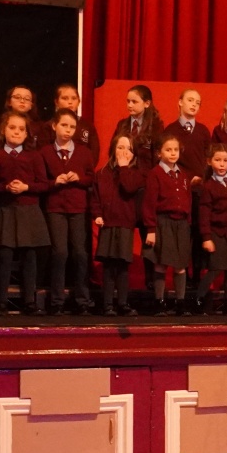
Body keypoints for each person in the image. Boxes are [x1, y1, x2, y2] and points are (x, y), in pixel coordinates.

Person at [0, 111, 50, 315]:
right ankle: (1, 301)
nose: (16, 132)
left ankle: (29, 301)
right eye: (12, 128)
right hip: (7, 210)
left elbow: (43, 184)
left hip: (29, 210)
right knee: (4, 256)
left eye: (21, 129)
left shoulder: (34, 155)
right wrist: (6, 188)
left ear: (27, 134)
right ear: (4, 130)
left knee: (30, 256)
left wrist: (25, 187)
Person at [39, 110, 92, 314]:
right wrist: (55, 182)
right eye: (64, 125)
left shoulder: (83, 151)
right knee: (60, 253)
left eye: (71, 127)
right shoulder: (45, 152)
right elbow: (40, 181)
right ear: (54, 126)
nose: (68, 130)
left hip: (78, 208)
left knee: (80, 253)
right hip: (55, 208)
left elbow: (90, 178)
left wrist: (79, 178)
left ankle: (82, 300)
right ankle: (57, 300)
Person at [92, 134, 145, 317]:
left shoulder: (135, 173)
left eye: (128, 148)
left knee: (122, 265)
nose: (123, 152)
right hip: (107, 223)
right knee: (108, 266)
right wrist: (97, 215)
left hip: (125, 223)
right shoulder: (102, 173)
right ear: (113, 149)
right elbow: (95, 197)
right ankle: (107, 304)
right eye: (120, 147)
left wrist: (123, 168)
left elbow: (129, 188)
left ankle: (122, 303)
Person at [192, 144, 227, 314]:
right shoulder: (209, 186)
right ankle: (199, 300)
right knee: (215, 268)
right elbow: (204, 214)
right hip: (216, 233)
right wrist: (206, 237)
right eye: (218, 160)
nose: (222, 164)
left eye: (225, 160)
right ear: (210, 162)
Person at [144, 132, 194, 313]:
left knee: (180, 264)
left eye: (175, 150)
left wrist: (187, 221)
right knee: (161, 263)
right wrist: (151, 228)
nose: (173, 153)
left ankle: (180, 302)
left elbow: (187, 199)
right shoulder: (155, 174)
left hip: (181, 224)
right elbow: (149, 203)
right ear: (159, 153)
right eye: (168, 150)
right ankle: (159, 301)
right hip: (163, 222)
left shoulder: (183, 174)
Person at [108, 84, 162, 159]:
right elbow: (112, 150)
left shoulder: (155, 126)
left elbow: (157, 155)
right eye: (128, 101)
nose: (129, 105)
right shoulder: (122, 124)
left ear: (147, 104)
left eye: (134, 102)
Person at [169, 88, 212, 177]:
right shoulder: (170, 130)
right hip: (178, 180)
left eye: (197, 103)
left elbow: (209, 157)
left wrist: (202, 177)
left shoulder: (203, 130)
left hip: (200, 182)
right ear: (180, 102)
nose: (194, 105)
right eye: (190, 100)